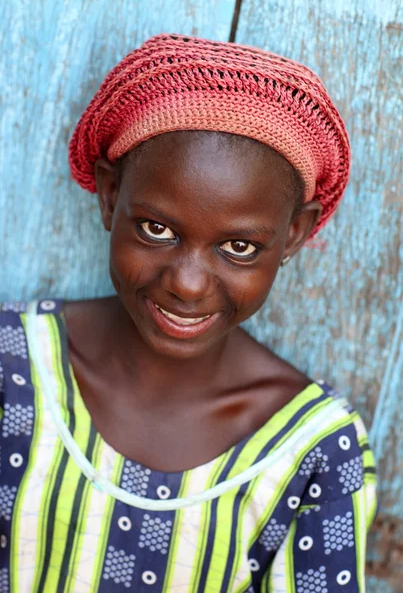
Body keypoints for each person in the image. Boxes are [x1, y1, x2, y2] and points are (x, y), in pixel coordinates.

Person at [0, 34, 377, 592]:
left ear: (293, 233)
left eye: (240, 247)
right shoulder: (12, 370)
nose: (187, 284)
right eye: (157, 229)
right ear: (109, 196)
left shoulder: (314, 451)